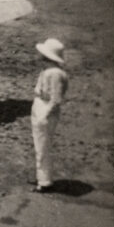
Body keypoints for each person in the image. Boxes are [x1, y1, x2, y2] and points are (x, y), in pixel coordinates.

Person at [30, 38, 68, 193]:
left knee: (42, 146)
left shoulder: (54, 74)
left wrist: (44, 115)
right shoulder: (50, 71)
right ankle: (42, 178)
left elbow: (56, 99)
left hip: (45, 109)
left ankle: (44, 181)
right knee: (40, 145)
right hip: (41, 106)